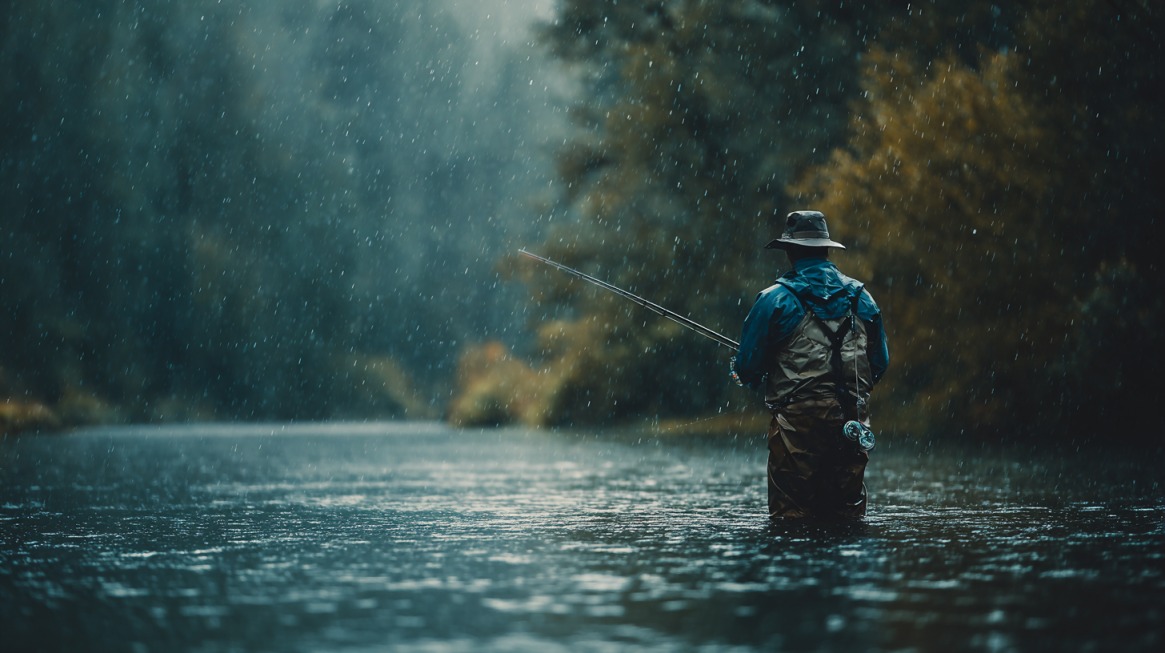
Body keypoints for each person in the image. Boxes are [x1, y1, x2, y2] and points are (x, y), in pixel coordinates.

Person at [732, 210, 889, 520]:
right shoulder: (862, 299)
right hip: (852, 420)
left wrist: (747, 369)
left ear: (790, 251)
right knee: (847, 516)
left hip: (796, 424)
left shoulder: (773, 300)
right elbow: (879, 364)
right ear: (827, 249)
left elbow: (747, 368)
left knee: (791, 517)